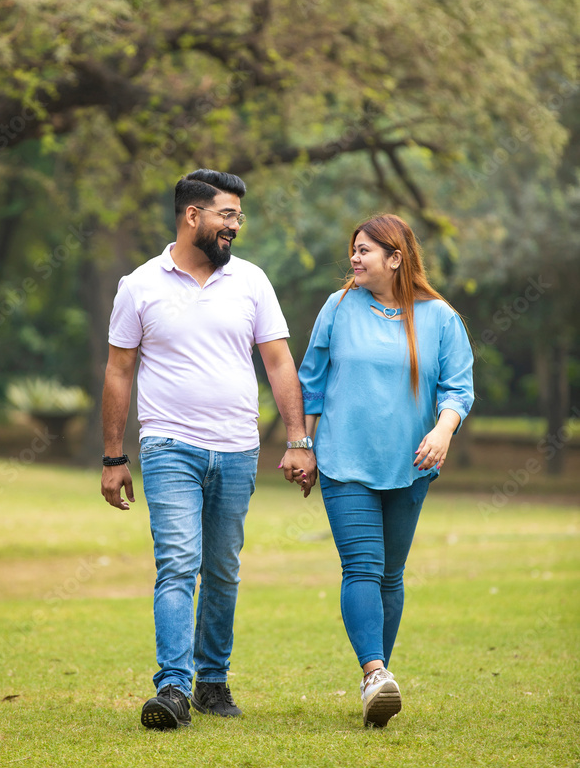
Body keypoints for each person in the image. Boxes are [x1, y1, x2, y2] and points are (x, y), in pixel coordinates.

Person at [101, 169, 317, 730]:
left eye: (239, 217)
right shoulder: (140, 284)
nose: (235, 227)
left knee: (222, 568)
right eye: (227, 215)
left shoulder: (251, 282)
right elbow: (119, 371)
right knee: (178, 563)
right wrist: (113, 456)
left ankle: (212, 681)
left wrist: (298, 440)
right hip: (169, 445)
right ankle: (172, 687)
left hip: (238, 448)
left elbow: (278, 363)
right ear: (192, 215)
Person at [297, 213, 473, 728]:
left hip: (411, 464)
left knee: (390, 577)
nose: (354, 258)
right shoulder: (339, 306)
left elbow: (457, 388)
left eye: (365, 251)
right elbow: (312, 379)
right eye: (353, 249)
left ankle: (380, 682)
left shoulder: (440, 317)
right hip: (344, 460)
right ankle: (374, 672)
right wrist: (304, 446)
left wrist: (442, 432)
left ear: (396, 258)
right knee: (363, 568)